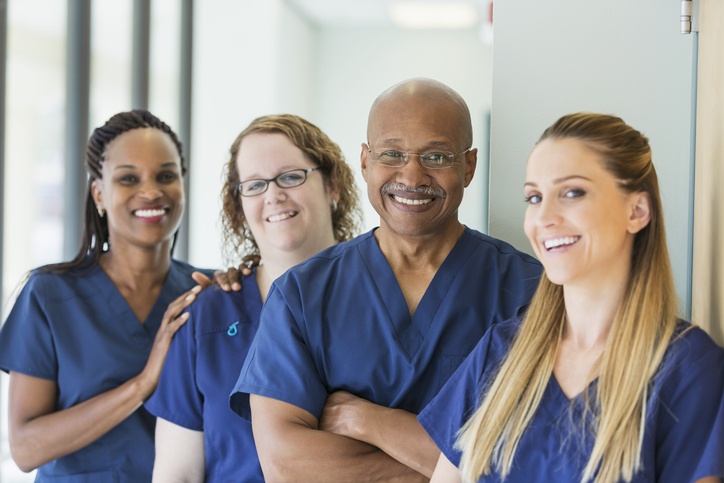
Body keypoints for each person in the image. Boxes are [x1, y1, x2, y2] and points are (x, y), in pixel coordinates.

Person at [230, 78, 543, 480]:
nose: (411, 177)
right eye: (392, 153)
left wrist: (368, 421)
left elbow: (531, 460)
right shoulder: (301, 295)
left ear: (468, 166)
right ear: (365, 162)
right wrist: (451, 472)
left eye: (436, 156)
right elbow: (285, 465)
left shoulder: (528, 291)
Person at [420, 113, 724, 483]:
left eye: (572, 193)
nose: (543, 217)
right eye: (534, 197)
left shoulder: (687, 368)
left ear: (637, 211)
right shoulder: (499, 352)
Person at [145, 113, 362, 482]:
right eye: (255, 185)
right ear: (240, 205)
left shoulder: (383, 301)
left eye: (291, 177)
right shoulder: (204, 317)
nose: (274, 195)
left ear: (333, 186)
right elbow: (177, 473)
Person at [0, 110, 216, 481]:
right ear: (99, 193)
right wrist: (143, 383)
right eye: (129, 178)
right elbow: (25, 448)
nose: (151, 191)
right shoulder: (50, 295)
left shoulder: (208, 294)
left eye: (166, 175)